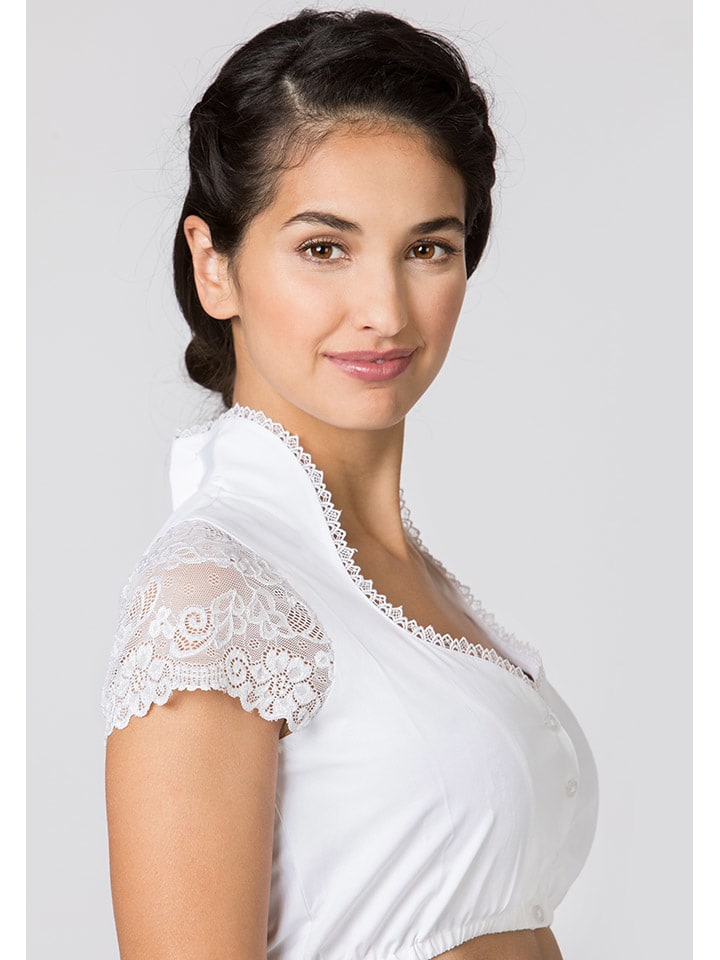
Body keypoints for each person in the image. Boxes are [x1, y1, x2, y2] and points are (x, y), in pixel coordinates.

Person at [102, 9, 598, 959]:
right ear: (214, 266)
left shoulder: (404, 578)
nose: (384, 310)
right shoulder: (214, 597)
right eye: (324, 248)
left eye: (427, 248)